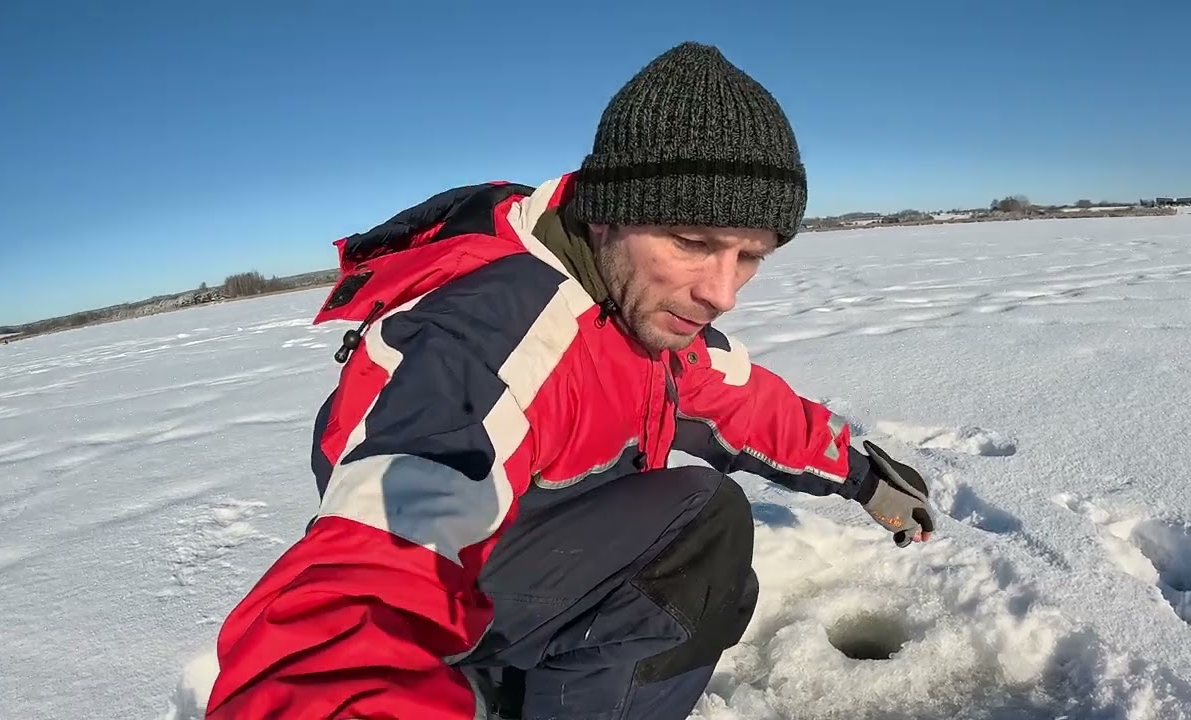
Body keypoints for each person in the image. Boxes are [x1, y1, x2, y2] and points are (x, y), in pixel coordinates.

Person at [204, 41, 935, 720]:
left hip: (518, 547)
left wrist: (863, 474)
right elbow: (363, 582)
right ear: (608, 216)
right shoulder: (497, 335)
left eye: (750, 256)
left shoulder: (633, 307)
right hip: (460, 573)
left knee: (698, 547)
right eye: (692, 242)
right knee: (702, 531)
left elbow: (733, 394)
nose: (724, 292)